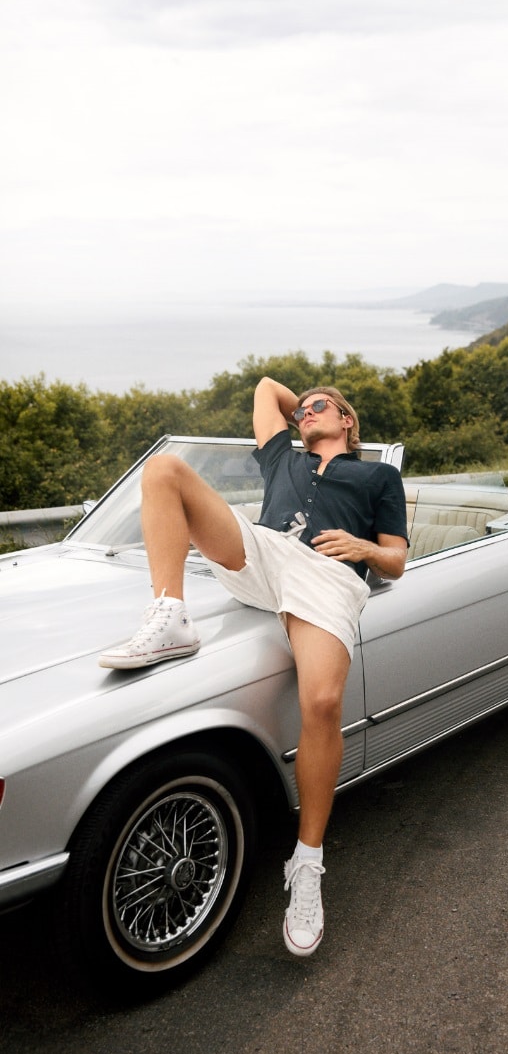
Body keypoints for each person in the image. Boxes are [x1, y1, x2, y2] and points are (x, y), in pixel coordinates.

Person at [99, 376, 409, 957]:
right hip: (265, 551)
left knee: (320, 703)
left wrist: (364, 548)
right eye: (306, 407)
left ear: (349, 422)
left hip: (328, 573)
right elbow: (268, 388)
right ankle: (170, 614)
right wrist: (308, 413)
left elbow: (396, 560)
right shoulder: (282, 457)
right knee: (164, 471)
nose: (308, 411)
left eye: (325, 407)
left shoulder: (377, 475)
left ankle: (307, 866)